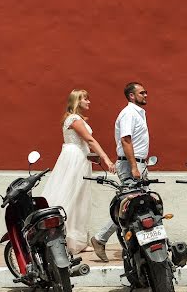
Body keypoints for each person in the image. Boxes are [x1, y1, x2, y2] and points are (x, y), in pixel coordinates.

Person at [41, 89, 115, 254]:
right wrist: (106, 159)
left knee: (77, 198)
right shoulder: (74, 119)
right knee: (71, 196)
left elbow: (85, 143)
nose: (89, 102)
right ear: (76, 101)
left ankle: (74, 240)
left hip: (78, 158)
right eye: (85, 99)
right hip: (75, 159)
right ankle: (61, 238)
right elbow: (89, 140)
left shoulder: (75, 119)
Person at [91, 82, 150, 262]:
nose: (146, 95)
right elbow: (126, 140)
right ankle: (100, 238)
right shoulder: (128, 114)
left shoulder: (137, 113)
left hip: (139, 164)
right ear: (131, 96)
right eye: (142, 93)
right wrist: (133, 167)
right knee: (129, 206)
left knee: (140, 206)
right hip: (131, 165)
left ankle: (140, 246)